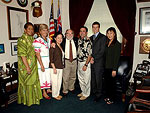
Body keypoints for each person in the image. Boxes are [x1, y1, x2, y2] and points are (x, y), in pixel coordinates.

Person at [17, 22, 42, 106]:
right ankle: (28, 100)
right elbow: (23, 55)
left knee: (34, 81)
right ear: (25, 30)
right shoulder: (21, 40)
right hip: (25, 66)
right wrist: (27, 67)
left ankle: (34, 99)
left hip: (33, 65)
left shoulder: (32, 39)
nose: (31, 31)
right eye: (29, 29)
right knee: (28, 82)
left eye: (32, 29)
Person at [33, 24, 51, 100]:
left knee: (48, 75)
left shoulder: (49, 39)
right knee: (43, 76)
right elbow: (37, 54)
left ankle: (48, 88)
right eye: (43, 30)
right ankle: (44, 91)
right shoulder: (37, 41)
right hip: (41, 60)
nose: (45, 31)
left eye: (46, 30)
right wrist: (41, 65)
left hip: (48, 60)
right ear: (40, 31)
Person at [90, 21, 106, 102]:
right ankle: (94, 92)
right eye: (93, 27)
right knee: (93, 78)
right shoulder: (90, 37)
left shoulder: (103, 37)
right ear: (92, 28)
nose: (95, 29)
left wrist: (93, 58)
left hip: (98, 62)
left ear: (99, 28)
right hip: (91, 62)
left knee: (98, 79)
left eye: (96, 27)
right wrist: (90, 58)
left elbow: (102, 51)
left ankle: (99, 94)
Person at [104, 27, 121, 104]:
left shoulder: (117, 44)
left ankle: (112, 99)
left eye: (111, 33)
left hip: (112, 68)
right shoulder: (107, 43)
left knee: (112, 84)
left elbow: (116, 58)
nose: (109, 35)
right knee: (107, 83)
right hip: (106, 67)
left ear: (114, 34)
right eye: (108, 33)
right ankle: (108, 96)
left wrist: (114, 69)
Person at [77, 26, 92, 100]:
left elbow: (90, 54)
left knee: (86, 79)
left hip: (85, 63)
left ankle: (86, 94)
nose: (82, 32)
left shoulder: (89, 41)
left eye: (83, 31)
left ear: (86, 32)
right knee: (81, 79)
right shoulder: (79, 40)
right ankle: (83, 92)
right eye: (80, 31)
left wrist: (86, 64)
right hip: (79, 62)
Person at [61, 29, 78, 96]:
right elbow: (55, 39)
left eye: (71, 33)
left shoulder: (76, 40)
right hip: (66, 60)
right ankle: (65, 90)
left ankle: (71, 88)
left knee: (73, 76)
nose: (70, 35)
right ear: (65, 34)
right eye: (68, 33)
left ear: (73, 35)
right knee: (66, 76)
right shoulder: (63, 41)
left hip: (74, 60)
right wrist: (53, 42)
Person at [49, 32, 64, 100]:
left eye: (61, 38)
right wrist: (54, 67)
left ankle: (57, 94)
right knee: (55, 82)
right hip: (54, 67)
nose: (60, 39)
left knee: (59, 82)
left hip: (60, 66)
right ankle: (54, 95)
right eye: (58, 38)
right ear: (55, 38)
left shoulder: (60, 46)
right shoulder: (53, 46)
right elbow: (51, 58)